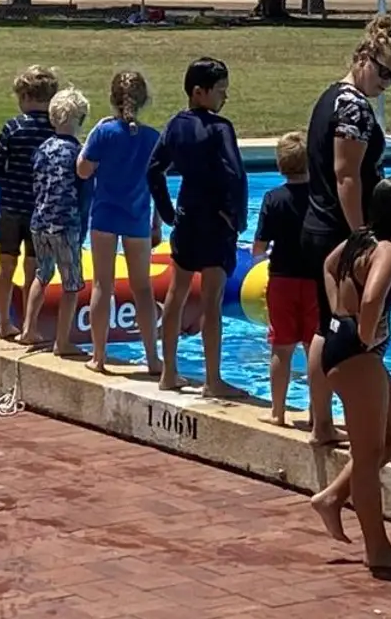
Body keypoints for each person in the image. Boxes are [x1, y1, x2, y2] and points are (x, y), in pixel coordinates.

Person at [298, 13, 391, 445]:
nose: (386, 83)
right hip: (337, 229)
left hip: (320, 223)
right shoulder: (352, 107)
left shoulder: (332, 97)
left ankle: (320, 418)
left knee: (327, 326)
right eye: (383, 73)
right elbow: (347, 176)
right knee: (337, 328)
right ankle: (327, 422)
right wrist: (363, 234)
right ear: (363, 59)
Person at [310, 175, 391, 572]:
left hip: (341, 347)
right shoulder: (388, 250)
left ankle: (333, 496)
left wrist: (338, 309)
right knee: (369, 451)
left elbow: (327, 263)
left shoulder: (359, 238)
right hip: (357, 354)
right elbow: (373, 295)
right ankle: (378, 549)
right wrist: (367, 332)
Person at [148, 57, 248, 398]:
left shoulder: (174, 125)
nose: (224, 98)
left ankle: (169, 372)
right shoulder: (221, 129)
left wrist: (166, 212)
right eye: (220, 91)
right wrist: (237, 218)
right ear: (199, 92)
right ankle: (213, 379)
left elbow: (154, 171)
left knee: (175, 296)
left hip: (187, 216)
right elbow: (235, 174)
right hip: (216, 220)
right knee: (212, 301)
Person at [77, 69, 161, 376]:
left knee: (103, 285)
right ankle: (152, 358)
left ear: (112, 100)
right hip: (137, 217)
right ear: (144, 101)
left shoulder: (104, 133)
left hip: (105, 217)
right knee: (143, 289)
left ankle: (99, 356)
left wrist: (90, 136)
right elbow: (157, 183)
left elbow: (83, 170)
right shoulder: (153, 138)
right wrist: (156, 222)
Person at [250, 132, 316, 429]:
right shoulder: (321, 196)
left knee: (281, 347)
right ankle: (318, 413)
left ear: (279, 165)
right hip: (317, 280)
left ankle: (278, 411)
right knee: (315, 346)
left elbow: (259, 248)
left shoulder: (273, 199)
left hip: (282, 280)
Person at [0, 65, 59, 339]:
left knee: (5, 265)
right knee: (34, 268)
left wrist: (8, 187)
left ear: (27, 96)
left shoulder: (12, 127)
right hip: (39, 211)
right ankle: (30, 325)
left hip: (9, 208)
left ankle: (4, 322)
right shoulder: (55, 131)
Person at [24, 88, 95, 357]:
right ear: (79, 120)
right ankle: (62, 342)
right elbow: (86, 195)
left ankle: (28, 329)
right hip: (66, 226)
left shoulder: (42, 149)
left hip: (39, 222)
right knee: (71, 284)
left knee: (42, 274)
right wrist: (83, 229)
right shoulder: (78, 154)